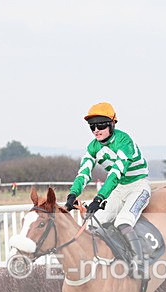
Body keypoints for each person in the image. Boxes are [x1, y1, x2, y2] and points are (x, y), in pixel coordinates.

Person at [64, 102, 151, 277]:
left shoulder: (124, 141)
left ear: (112, 124)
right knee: (93, 223)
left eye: (101, 125)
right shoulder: (93, 147)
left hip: (138, 187)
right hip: (118, 190)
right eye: (92, 126)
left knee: (122, 222)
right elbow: (84, 173)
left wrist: (99, 198)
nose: (96, 130)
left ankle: (139, 263)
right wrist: (72, 194)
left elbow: (116, 173)